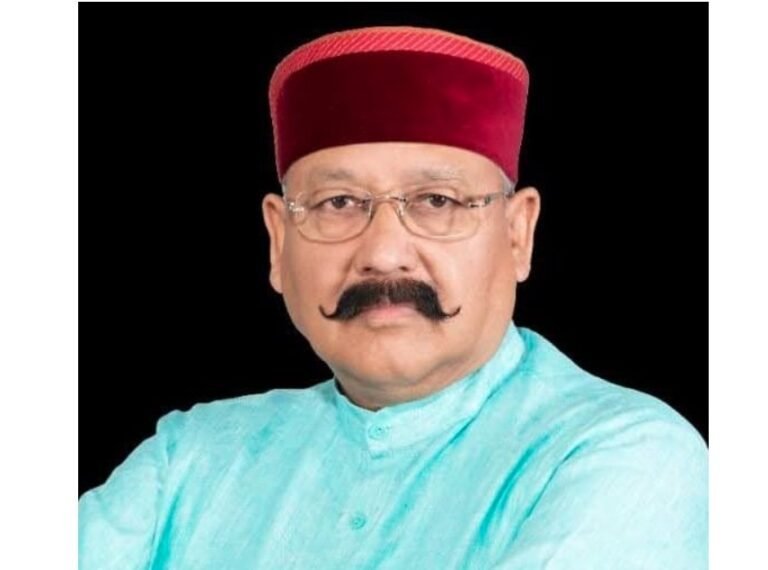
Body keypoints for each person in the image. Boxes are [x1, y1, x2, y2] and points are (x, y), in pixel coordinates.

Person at [79, 25, 707, 569]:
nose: (383, 253)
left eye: (437, 201)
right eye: (338, 203)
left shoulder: (624, 453)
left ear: (518, 234)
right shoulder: (189, 458)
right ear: (278, 243)